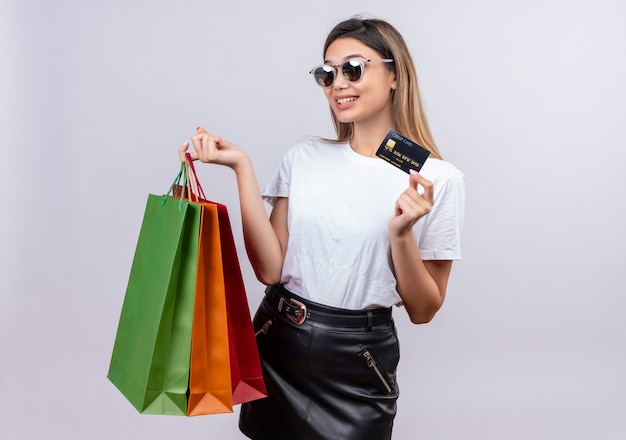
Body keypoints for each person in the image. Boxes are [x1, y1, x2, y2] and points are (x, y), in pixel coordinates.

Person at [180, 16, 464, 440]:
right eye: (327, 74)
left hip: (357, 360)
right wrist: (242, 168)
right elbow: (271, 272)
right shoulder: (304, 157)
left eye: (353, 68)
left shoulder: (438, 180)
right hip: (280, 340)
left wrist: (401, 234)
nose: (338, 84)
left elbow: (423, 310)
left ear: (393, 74)